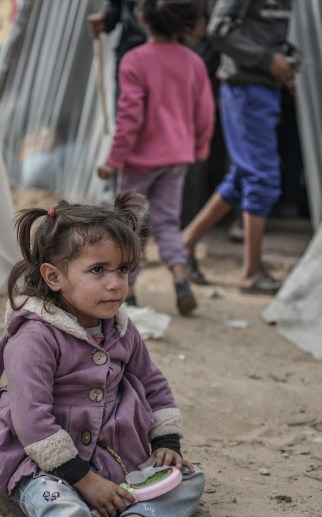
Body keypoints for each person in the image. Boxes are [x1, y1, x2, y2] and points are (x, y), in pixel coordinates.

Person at [0, 191, 205, 517]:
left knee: (188, 477)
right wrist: (84, 480)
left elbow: (152, 383)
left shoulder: (120, 327)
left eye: (123, 269)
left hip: (114, 456)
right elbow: (32, 421)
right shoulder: (35, 337)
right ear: (54, 277)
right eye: (98, 270)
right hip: (43, 459)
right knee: (53, 501)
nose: (116, 283)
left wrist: (167, 445)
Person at [96, 0, 215, 315]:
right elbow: (205, 110)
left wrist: (114, 160)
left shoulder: (134, 60)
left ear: (141, 19)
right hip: (178, 157)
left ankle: (129, 289)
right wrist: (201, 146)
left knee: (129, 225)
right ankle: (180, 279)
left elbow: (130, 117)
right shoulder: (193, 62)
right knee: (167, 222)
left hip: (140, 161)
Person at [181, 0, 297, 294]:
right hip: (246, 89)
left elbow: (258, 32)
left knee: (244, 175)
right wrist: (267, 59)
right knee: (263, 178)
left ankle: (186, 243)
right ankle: (251, 272)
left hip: (265, 89)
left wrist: (284, 55)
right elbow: (220, 31)